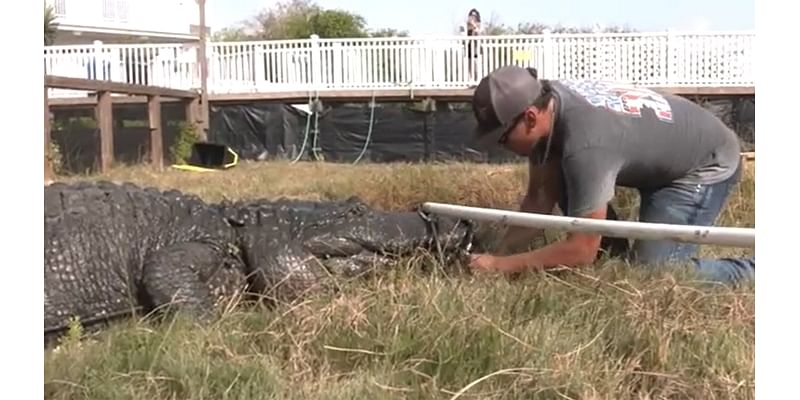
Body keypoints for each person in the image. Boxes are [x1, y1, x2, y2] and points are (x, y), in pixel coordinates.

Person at [467, 65, 755, 284]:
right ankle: (616, 258)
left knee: (654, 275)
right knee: (572, 193)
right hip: (659, 153)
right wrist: (499, 255)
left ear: (530, 117)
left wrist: (500, 266)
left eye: (502, 138)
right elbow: (539, 199)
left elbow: (582, 250)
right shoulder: (549, 104)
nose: (501, 147)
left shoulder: (586, 143)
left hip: (703, 162)